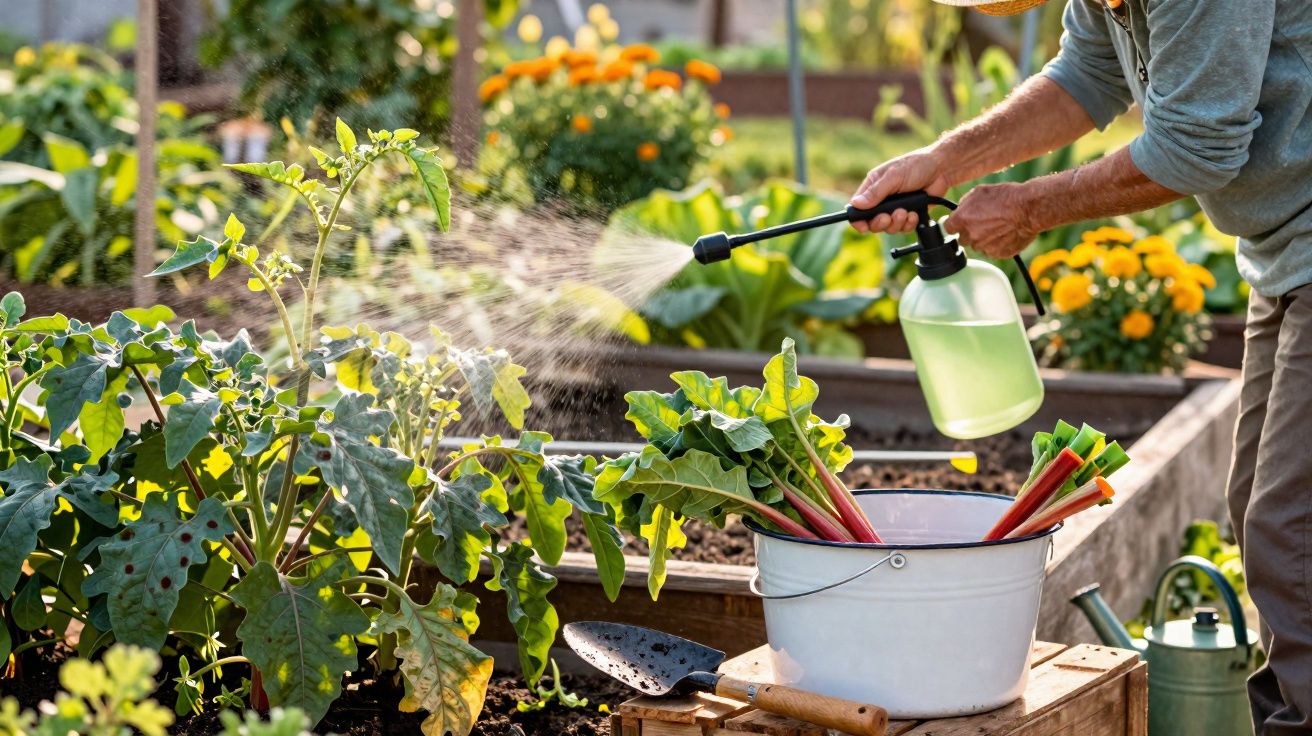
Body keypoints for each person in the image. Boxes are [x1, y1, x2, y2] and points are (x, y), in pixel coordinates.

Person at [849, 0, 1312, 732]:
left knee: (1294, 535)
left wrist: (1030, 208)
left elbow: (1194, 147)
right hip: (1285, 252)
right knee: (1264, 513)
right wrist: (946, 160)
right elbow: (1087, 75)